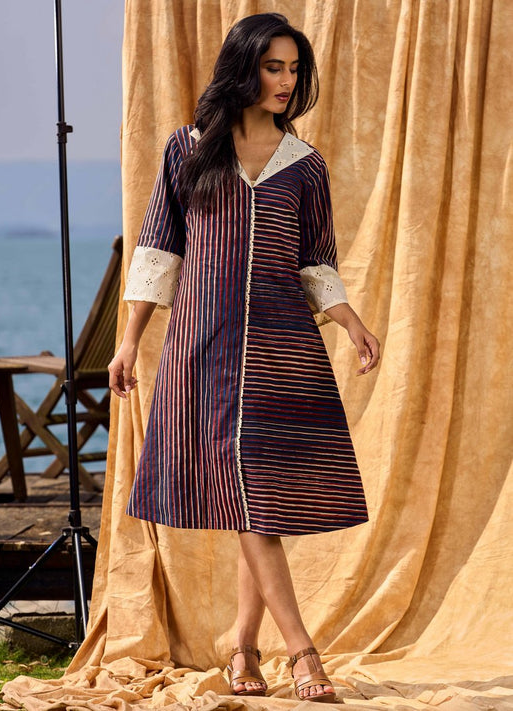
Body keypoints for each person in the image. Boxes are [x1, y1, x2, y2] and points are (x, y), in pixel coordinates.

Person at [109, 12, 380, 704]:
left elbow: (315, 261)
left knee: (257, 503)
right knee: (250, 501)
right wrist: (128, 340)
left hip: (283, 350)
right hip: (204, 348)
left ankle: (245, 648)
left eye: (293, 69)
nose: (286, 81)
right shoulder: (188, 148)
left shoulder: (305, 165)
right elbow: (158, 250)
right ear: (244, 66)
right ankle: (302, 652)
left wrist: (352, 324)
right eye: (272, 66)